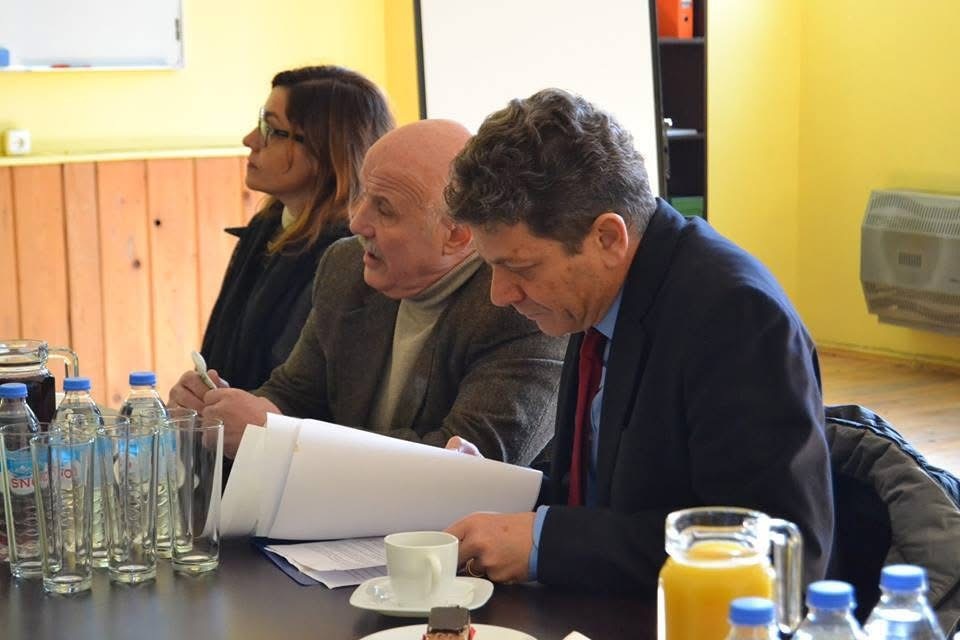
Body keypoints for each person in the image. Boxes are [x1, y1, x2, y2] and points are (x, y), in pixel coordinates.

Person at [442, 89, 834, 593]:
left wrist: (544, 541)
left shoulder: (735, 316)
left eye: (520, 268)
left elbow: (766, 549)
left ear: (608, 238)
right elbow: (605, 497)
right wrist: (502, 493)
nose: (500, 295)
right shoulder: (600, 295)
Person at [170, 119, 565, 466]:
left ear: (457, 234)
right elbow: (296, 393)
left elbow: (470, 463)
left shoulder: (520, 305)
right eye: (362, 196)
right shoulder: (346, 267)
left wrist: (277, 439)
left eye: (385, 209)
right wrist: (223, 408)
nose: (357, 223)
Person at [199, 65, 394, 391]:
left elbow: (308, 393)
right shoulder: (266, 229)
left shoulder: (352, 256)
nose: (250, 140)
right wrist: (199, 393)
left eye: (272, 130)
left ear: (327, 149)